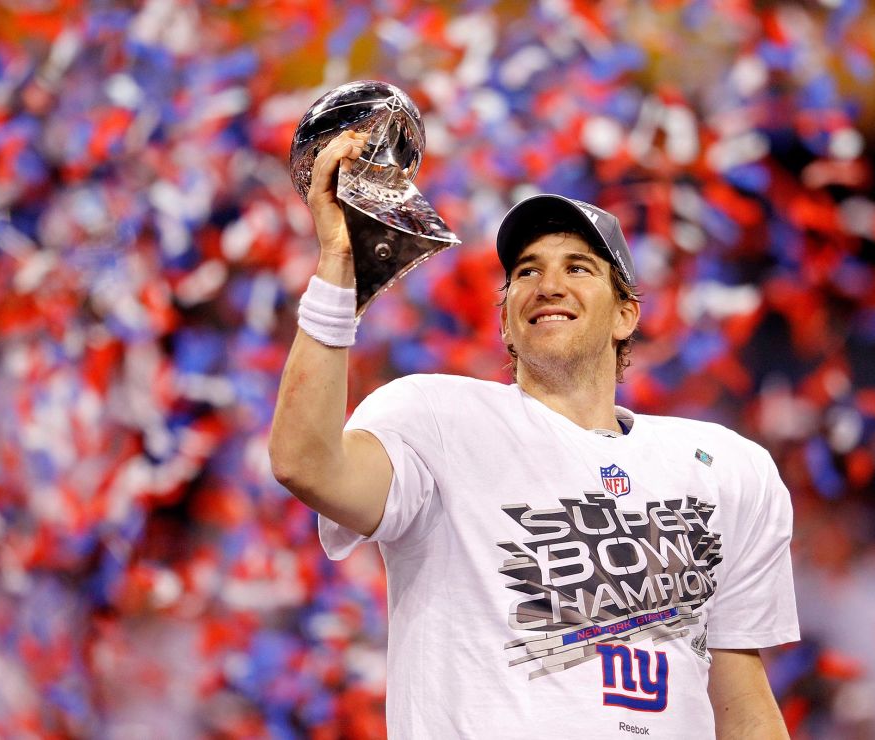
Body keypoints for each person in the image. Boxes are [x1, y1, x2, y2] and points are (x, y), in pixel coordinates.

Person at [270, 130, 800, 738]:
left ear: (626, 314)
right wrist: (339, 271)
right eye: (526, 271)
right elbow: (305, 464)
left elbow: (739, 689)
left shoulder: (730, 469)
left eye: (578, 267)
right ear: (505, 320)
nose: (548, 284)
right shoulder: (437, 419)